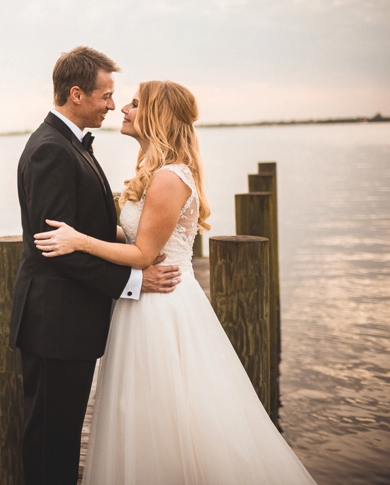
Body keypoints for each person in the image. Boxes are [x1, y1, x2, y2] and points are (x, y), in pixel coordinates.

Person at [34, 80, 317, 484]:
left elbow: (144, 255)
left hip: (161, 305)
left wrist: (79, 241)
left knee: (167, 412)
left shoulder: (169, 177)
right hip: (140, 303)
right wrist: (85, 227)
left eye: (134, 103)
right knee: (142, 412)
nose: (122, 109)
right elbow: (135, 236)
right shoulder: (154, 171)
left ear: (156, 115)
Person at [9, 47, 182, 485]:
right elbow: (57, 248)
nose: (112, 104)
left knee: (61, 439)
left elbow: (89, 230)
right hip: (55, 323)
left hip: (68, 322)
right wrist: (134, 281)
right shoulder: (52, 150)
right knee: (51, 442)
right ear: (76, 94)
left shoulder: (71, 145)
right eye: (106, 95)